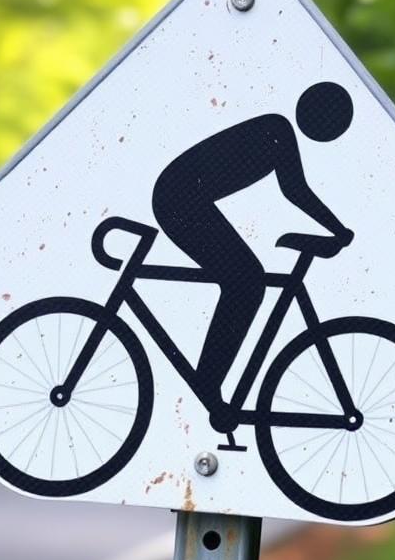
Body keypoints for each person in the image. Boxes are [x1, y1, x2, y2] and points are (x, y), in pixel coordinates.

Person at [152, 81, 354, 426]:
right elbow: (296, 190)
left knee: (247, 281)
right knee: (246, 281)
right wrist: (337, 229)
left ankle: (209, 380)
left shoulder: (277, 131)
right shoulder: (276, 130)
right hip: (178, 200)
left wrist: (337, 229)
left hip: (185, 198)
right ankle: (209, 382)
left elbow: (294, 190)